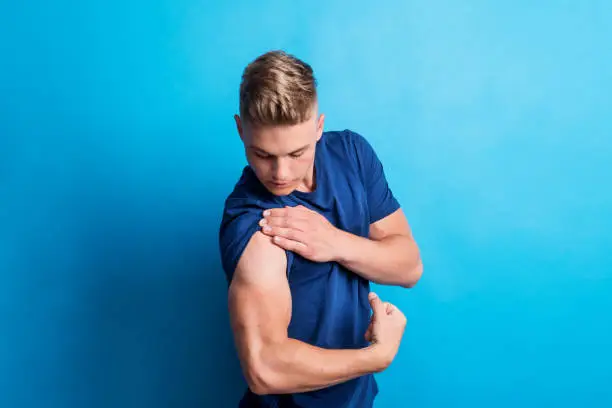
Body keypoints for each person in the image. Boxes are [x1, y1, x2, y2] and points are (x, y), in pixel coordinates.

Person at [218, 50, 423, 408]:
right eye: (263, 154)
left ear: (318, 127)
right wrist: (375, 358)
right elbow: (265, 370)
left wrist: (335, 242)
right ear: (240, 129)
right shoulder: (257, 223)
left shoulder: (352, 154)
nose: (280, 174)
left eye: (297, 153)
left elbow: (409, 267)